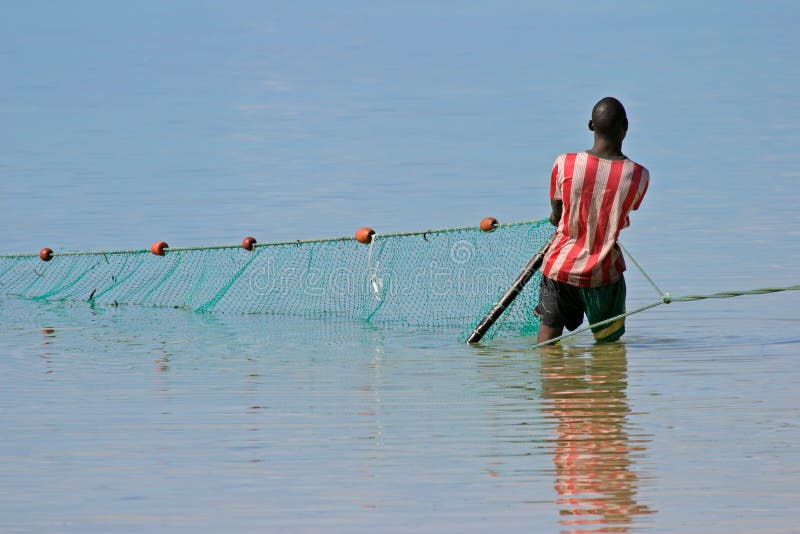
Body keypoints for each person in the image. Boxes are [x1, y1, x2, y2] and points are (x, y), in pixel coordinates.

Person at [535, 97, 649, 343]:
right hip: (603, 274)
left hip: (559, 269)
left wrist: (560, 217)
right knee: (608, 350)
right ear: (626, 126)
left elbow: (557, 214)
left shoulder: (564, 164)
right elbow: (625, 210)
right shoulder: (639, 175)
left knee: (547, 344)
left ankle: (552, 378)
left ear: (590, 125)